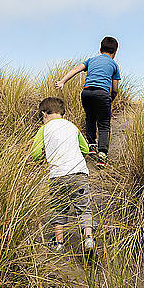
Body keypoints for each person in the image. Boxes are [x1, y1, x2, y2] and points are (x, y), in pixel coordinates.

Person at [30, 97, 95, 252]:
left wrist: (42, 159)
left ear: (44, 114)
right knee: (84, 208)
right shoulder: (72, 127)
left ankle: (59, 243)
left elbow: (35, 154)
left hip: (57, 175)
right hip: (79, 173)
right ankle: (88, 239)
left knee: (59, 208)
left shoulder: (43, 129)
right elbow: (85, 149)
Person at [56, 36, 120, 168]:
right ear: (115, 52)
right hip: (102, 94)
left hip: (86, 93)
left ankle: (91, 146)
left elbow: (75, 70)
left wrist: (63, 81)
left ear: (100, 49)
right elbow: (115, 89)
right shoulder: (114, 65)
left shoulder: (91, 60)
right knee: (103, 125)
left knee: (90, 118)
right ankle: (102, 156)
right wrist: (110, 99)